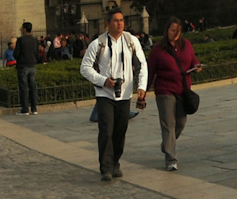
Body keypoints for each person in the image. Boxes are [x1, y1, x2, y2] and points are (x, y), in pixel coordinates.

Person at [80, 10, 148, 182]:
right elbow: (85, 68)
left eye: (122, 20)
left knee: (120, 131)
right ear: (108, 23)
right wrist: (103, 81)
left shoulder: (132, 41)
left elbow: (142, 64)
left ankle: (116, 161)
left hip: (124, 94)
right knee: (106, 130)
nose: (120, 23)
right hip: (105, 94)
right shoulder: (98, 43)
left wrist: (141, 87)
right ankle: (106, 166)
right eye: (116, 21)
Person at [147, 17, 200, 171]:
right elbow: (150, 72)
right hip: (165, 91)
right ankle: (171, 159)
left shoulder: (187, 45)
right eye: (172, 30)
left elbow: (193, 61)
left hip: (183, 91)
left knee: (180, 122)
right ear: (167, 31)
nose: (175, 34)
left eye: (178, 30)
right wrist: (143, 92)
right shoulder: (158, 50)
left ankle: (167, 144)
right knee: (168, 124)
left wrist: (196, 67)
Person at [13, 22, 40, 115]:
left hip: (23, 66)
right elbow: (37, 54)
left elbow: (16, 54)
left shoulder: (21, 40)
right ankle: (34, 108)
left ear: (24, 29)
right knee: (33, 87)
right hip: (32, 65)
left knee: (23, 87)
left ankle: (25, 109)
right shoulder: (34, 40)